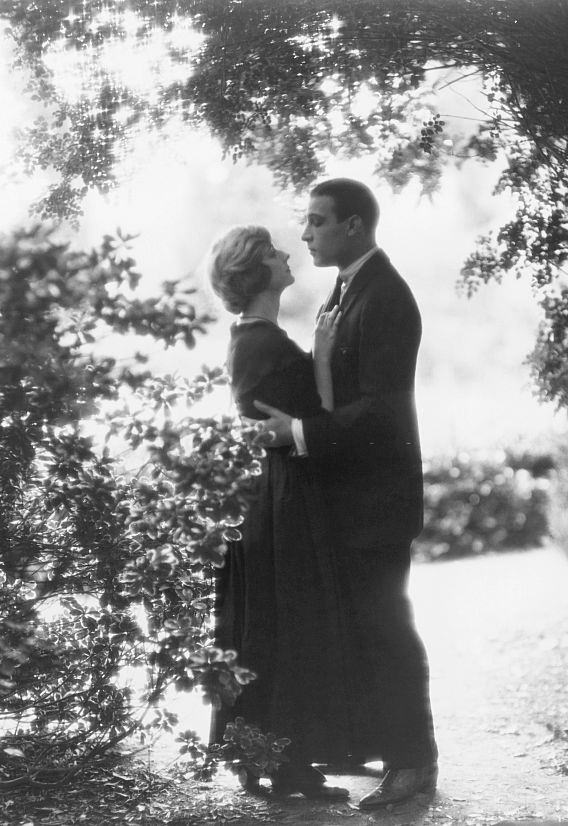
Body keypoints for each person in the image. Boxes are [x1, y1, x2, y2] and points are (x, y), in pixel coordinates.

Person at [255, 178, 438, 810]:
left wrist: (300, 430)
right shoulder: (351, 286)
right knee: (368, 625)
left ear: (354, 226)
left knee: (387, 625)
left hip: (378, 498)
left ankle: (415, 762)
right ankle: (397, 754)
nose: (305, 234)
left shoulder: (385, 296)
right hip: (354, 495)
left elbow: (384, 411)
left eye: (317, 221)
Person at [205, 225, 352, 800]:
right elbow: (318, 411)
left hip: (268, 493)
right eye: (272, 252)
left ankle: (261, 755)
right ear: (253, 271)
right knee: (285, 623)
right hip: (278, 497)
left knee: (268, 624)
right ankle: (283, 762)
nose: (286, 252)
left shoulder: (257, 335)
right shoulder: (260, 340)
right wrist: (325, 355)